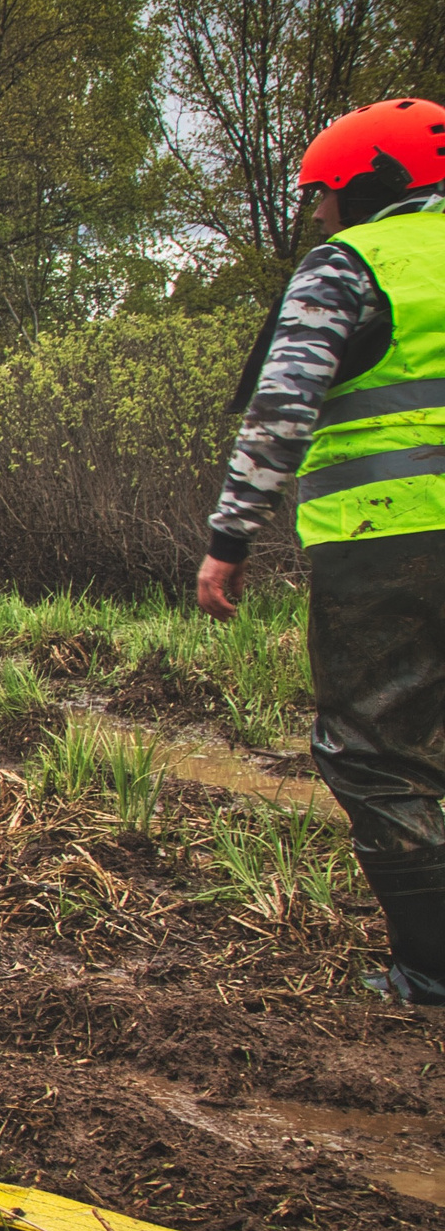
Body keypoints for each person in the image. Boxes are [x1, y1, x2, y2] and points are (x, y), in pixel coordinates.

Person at [197, 96, 445, 1009]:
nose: (313, 214)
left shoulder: (349, 265)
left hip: (387, 539)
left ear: (369, 183)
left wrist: (230, 541)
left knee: (376, 748)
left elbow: (281, 410)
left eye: (319, 194)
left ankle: (432, 967)